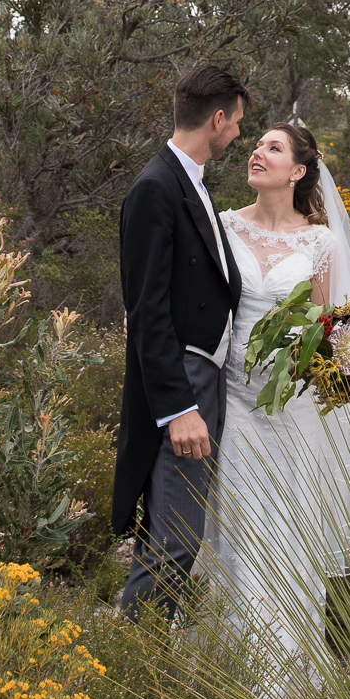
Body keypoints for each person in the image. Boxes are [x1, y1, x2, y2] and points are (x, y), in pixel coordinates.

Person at [201, 121, 350, 673]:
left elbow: (333, 327)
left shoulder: (320, 242)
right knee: (239, 530)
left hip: (295, 411)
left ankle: (286, 679)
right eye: (256, 145)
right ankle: (233, 667)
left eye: (272, 148)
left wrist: (338, 367)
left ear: (299, 171)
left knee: (288, 534)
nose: (257, 152)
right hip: (234, 404)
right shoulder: (223, 226)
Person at [113, 64, 248, 620]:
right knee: (174, 543)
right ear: (216, 119)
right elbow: (147, 312)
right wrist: (179, 410)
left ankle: (135, 665)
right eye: (237, 122)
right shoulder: (154, 187)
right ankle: (127, 674)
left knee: (174, 539)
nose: (238, 133)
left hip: (206, 379)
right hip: (184, 388)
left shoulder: (186, 183)